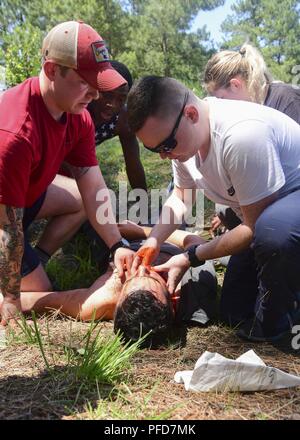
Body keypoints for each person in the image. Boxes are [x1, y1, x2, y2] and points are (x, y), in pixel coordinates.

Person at [126, 75, 300, 350]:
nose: (163, 155)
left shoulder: (241, 136)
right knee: (233, 313)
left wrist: (190, 257)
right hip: (264, 220)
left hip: (286, 212)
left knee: (273, 233)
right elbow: (181, 196)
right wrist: (154, 240)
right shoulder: (184, 143)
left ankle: (286, 332)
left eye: (165, 146)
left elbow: (254, 228)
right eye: (153, 149)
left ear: (191, 114)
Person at [0, 21, 135, 326]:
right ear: (51, 70)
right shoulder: (14, 133)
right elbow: (6, 228)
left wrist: (116, 245)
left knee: (79, 201)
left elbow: (92, 184)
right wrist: (11, 298)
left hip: (22, 201)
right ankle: (13, 292)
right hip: (3, 216)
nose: (95, 93)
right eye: (85, 81)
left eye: (98, 81)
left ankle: (38, 260)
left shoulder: (76, 115)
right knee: (41, 292)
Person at [0, 222, 217, 347]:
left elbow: (33, 300)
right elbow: (193, 240)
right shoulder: (197, 288)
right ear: (172, 297)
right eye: (151, 276)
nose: (141, 266)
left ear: (118, 301)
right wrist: (146, 233)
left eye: (130, 279)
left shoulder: (103, 299)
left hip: (118, 242)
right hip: (160, 235)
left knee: (90, 218)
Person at [204, 43, 300, 235]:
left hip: (290, 194)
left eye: (220, 99)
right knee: (224, 211)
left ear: (235, 85)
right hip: (265, 193)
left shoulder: (286, 99)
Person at [87, 60, 147, 191]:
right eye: (107, 95)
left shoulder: (122, 119)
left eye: (121, 99)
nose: (112, 104)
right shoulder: (78, 107)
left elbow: (133, 162)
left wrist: (142, 201)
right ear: (94, 89)